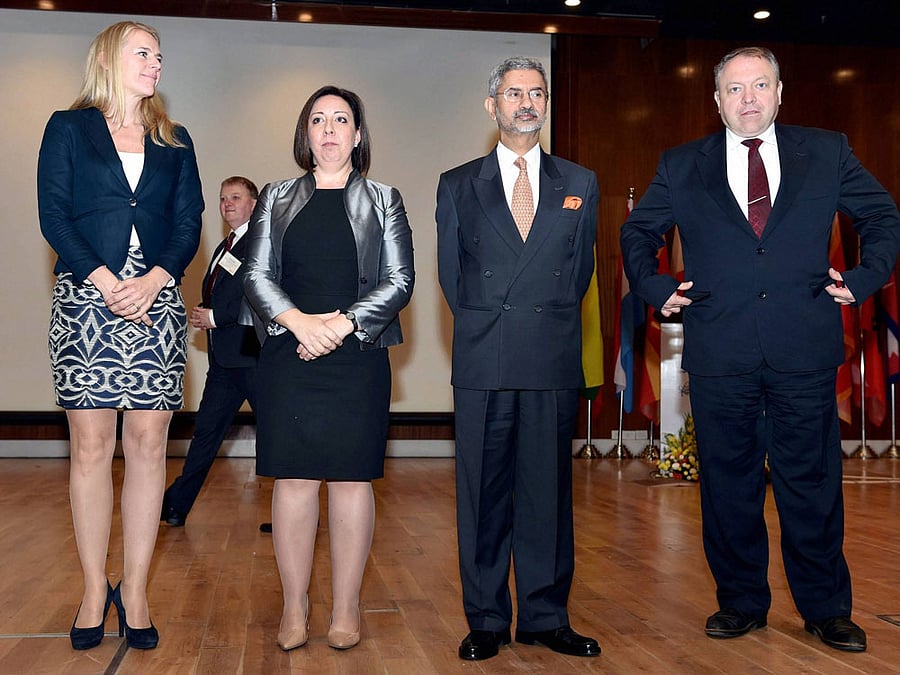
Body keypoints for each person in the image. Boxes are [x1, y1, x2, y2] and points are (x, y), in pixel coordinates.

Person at [620, 46, 900, 653]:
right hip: (721, 350)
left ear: (780, 93)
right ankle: (741, 602)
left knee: (812, 484)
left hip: (805, 346)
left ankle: (826, 609)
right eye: (735, 89)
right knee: (728, 486)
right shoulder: (680, 164)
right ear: (716, 100)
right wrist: (656, 285)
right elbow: (639, 232)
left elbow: (880, 215)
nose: (748, 99)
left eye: (760, 86)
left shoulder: (828, 151)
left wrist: (864, 276)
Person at [37, 21, 203, 651]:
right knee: (90, 445)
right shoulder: (68, 128)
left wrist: (158, 278)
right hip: (87, 295)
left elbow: (189, 222)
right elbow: (54, 214)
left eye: (160, 56)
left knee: (149, 442)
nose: (156, 64)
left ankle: (133, 588)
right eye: (144, 53)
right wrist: (107, 281)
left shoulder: (175, 138)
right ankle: (90, 587)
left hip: (156, 300)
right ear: (110, 57)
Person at [436, 56, 601, 662]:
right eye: (513, 94)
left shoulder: (580, 183)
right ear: (492, 106)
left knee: (548, 495)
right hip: (485, 359)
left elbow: (580, 273)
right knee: (482, 496)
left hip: (551, 356)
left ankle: (544, 616)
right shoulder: (457, 184)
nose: (525, 103)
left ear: (546, 103)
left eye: (536, 93)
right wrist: (491, 328)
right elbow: (453, 279)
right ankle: (485, 619)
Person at [242, 85, 414, 652]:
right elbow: (256, 275)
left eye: (342, 119)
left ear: (358, 135)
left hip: (356, 356)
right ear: (306, 133)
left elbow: (399, 281)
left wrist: (337, 326)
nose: (330, 129)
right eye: (319, 119)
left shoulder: (385, 199)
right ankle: (295, 605)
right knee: (292, 480)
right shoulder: (275, 196)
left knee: (349, 480)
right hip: (289, 356)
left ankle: (346, 607)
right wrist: (299, 323)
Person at [161, 177, 260, 527]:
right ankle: (176, 505)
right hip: (224, 362)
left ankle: (298, 515)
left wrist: (216, 316)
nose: (227, 204)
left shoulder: (261, 244)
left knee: (280, 438)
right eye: (222, 199)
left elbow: (261, 298)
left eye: (235, 197)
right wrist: (206, 312)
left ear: (254, 203)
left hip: (256, 360)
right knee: (205, 433)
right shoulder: (225, 247)